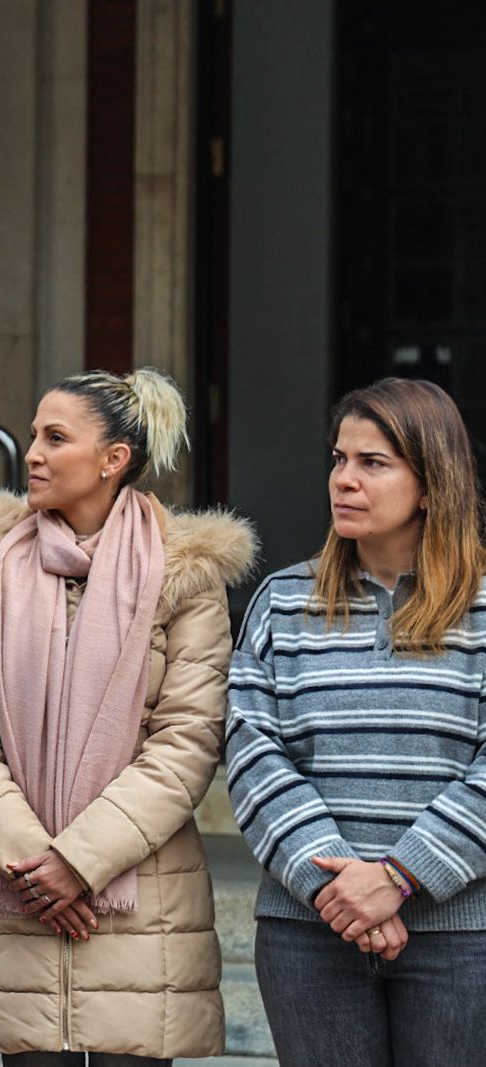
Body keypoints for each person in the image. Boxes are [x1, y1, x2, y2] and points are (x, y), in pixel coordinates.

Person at [0, 368, 256, 1065]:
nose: (33, 454)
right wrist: (28, 858)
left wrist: (78, 861)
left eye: (56, 437)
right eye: (31, 435)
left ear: (114, 460)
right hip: (17, 899)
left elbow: (189, 739)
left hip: (141, 907)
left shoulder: (184, 573)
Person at [226, 377, 486, 1066]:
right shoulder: (281, 601)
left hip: (463, 936)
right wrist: (339, 892)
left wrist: (399, 877)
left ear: (432, 482)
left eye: (373, 462)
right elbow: (253, 752)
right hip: (309, 934)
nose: (345, 479)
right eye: (340, 459)